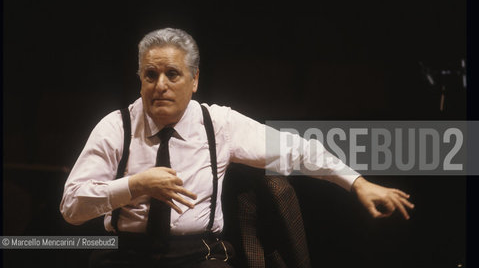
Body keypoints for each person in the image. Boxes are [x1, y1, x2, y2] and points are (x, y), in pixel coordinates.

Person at [60, 28, 414, 268]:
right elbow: (71, 207)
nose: (160, 86)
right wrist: (136, 186)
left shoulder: (219, 124)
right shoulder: (116, 126)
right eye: (150, 76)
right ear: (140, 79)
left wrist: (357, 183)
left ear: (194, 80)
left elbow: (297, 151)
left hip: (199, 255)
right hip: (126, 255)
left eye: (173, 74)